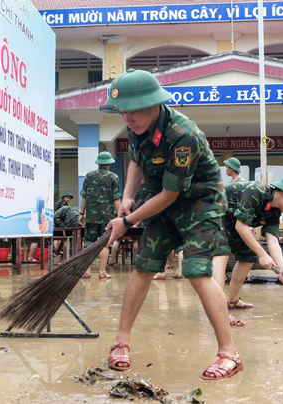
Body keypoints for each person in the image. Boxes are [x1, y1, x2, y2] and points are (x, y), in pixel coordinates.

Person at [101, 68, 243, 380]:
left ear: (153, 104)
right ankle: (121, 342)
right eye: (122, 112)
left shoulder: (183, 135)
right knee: (144, 266)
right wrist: (127, 196)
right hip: (162, 204)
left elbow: (171, 193)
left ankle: (229, 353)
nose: (127, 118)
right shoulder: (135, 126)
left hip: (200, 205)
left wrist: (126, 220)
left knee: (195, 270)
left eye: (133, 111)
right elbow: (137, 161)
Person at [213, 177, 283, 326]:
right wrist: (263, 254)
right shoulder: (256, 191)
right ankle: (218, 311)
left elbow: (273, 241)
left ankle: (232, 300)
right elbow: (241, 226)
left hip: (232, 220)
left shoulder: (274, 212)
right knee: (221, 252)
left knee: (249, 256)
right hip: (214, 212)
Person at [80, 151, 122, 279]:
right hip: (107, 217)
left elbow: (85, 197)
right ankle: (102, 272)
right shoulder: (114, 177)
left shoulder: (89, 176)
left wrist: (81, 213)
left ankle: (86, 272)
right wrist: (120, 216)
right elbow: (116, 199)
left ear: (98, 163)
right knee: (105, 244)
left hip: (91, 216)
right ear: (109, 163)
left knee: (88, 243)